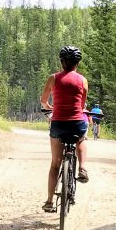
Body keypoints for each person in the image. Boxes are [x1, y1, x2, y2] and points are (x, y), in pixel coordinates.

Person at [40, 45, 89, 213]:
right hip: (76, 122)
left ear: (62, 62)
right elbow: (82, 104)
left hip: (59, 123)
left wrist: (50, 106)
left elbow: (44, 100)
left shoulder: (53, 78)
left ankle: (49, 202)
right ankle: (82, 167)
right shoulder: (83, 80)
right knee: (81, 137)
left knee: (55, 164)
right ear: (77, 64)